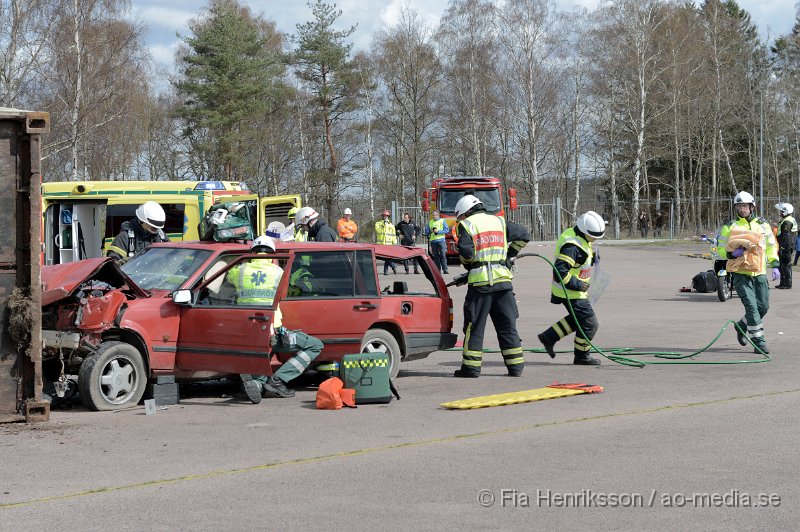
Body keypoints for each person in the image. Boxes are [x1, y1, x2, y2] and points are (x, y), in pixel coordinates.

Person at [231, 236, 324, 403]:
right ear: (272, 255)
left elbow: (226, 280)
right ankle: (279, 379)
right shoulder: (279, 273)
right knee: (315, 345)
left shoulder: (240, 270)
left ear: (252, 253)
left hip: (246, 332)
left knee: (262, 351)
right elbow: (292, 292)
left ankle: (257, 384)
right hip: (274, 331)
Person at [453, 194, 530, 378]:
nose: (461, 220)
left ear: (465, 212)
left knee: (475, 326)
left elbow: (466, 252)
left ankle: (471, 368)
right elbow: (524, 235)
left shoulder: (468, 225)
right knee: (507, 325)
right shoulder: (500, 222)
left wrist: (469, 265)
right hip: (503, 283)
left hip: (480, 286)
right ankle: (516, 367)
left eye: (460, 216)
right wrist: (508, 256)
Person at [537, 211, 605, 366]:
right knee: (590, 323)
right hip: (571, 292)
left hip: (573, 291)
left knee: (579, 319)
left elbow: (578, 260)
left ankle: (549, 337)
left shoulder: (578, 236)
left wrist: (592, 259)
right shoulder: (572, 246)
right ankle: (582, 356)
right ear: (584, 230)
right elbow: (560, 270)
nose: (594, 239)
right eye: (593, 236)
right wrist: (578, 284)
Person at [717, 192, 779, 354]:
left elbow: (771, 245)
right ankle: (759, 342)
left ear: (752, 207)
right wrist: (732, 254)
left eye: (744, 206)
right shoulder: (730, 227)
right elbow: (719, 250)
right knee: (752, 308)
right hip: (740, 273)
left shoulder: (763, 225)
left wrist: (775, 264)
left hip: (759, 272)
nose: (742, 209)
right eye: (739, 206)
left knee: (763, 307)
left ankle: (741, 326)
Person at [774, 203, 797, 289]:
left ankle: (787, 283)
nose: (780, 212)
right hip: (786, 245)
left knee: (786, 265)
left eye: (782, 211)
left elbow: (786, 236)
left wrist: (783, 247)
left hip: (786, 246)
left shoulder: (787, 221)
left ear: (785, 212)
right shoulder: (788, 219)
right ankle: (783, 282)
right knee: (782, 265)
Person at [424, 210, 449, 274]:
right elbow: (426, 231)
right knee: (436, 256)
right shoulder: (430, 222)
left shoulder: (442, 221)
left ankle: (445, 269)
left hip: (441, 241)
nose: (433, 216)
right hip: (433, 241)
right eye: (433, 215)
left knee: (443, 255)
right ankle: (438, 270)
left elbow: (447, 230)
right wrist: (430, 231)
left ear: (438, 215)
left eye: (435, 215)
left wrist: (438, 231)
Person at [375, 209, 398, 275]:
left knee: (387, 258)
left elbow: (394, 235)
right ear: (382, 216)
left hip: (389, 245)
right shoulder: (378, 224)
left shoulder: (391, 226)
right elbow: (378, 231)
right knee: (385, 258)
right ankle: (393, 266)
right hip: (381, 244)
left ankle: (385, 271)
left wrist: (395, 244)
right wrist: (384, 225)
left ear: (388, 217)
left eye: (387, 216)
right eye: (384, 216)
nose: (386, 217)